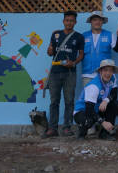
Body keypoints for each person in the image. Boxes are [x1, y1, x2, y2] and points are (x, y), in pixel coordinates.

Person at [44, 10, 84, 138]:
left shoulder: (79, 37)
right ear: (63, 21)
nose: (69, 23)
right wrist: (49, 50)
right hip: (55, 73)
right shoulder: (55, 34)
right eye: (67, 20)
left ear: (75, 22)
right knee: (54, 101)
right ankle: (52, 128)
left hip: (70, 73)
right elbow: (50, 52)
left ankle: (67, 127)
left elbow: (81, 55)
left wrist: (73, 63)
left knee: (69, 101)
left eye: (72, 21)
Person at [73, 59, 118, 140]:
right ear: (100, 71)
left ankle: (104, 133)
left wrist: (106, 100)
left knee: (115, 104)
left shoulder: (113, 78)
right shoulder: (94, 86)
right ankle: (81, 133)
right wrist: (103, 122)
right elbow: (89, 110)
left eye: (110, 70)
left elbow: (114, 93)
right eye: (105, 70)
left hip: (98, 108)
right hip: (83, 111)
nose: (108, 73)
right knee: (89, 121)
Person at [81, 11, 118, 85]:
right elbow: (79, 53)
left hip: (105, 74)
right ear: (91, 21)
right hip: (87, 74)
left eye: (100, 20)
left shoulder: (109, 34)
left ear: (103, 22)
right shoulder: (83, 35)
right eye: (95, 20)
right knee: (88, 96)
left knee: (104, 96)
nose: (97, 22)